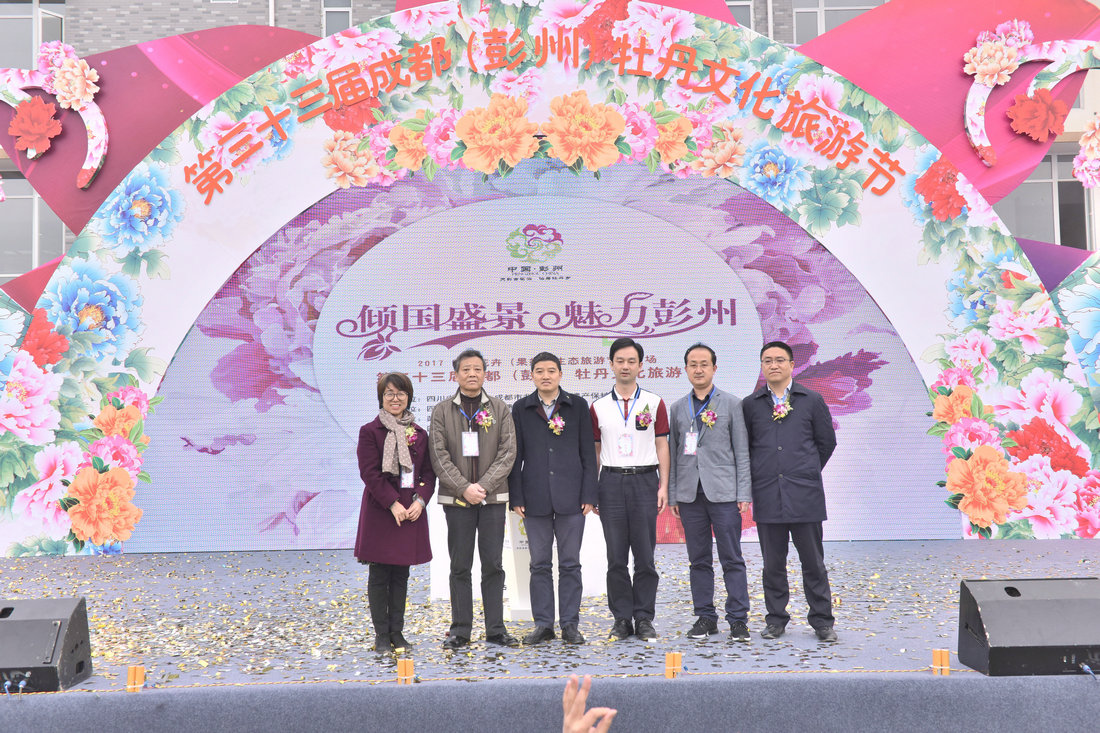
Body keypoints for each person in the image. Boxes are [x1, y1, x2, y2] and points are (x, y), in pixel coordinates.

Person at [741, 341, 838, 642]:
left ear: (792, 365)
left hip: (805, 495)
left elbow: (826, 442)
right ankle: (776, 619)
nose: (774, 365)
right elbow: (746, 448)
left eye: (780, 360)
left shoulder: (811, 400)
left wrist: (805, 470)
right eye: (768, 360)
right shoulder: (751, 404)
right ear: (762, 366)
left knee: (813, 563)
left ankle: (822, 621)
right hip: (768, 494)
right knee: (773, 565)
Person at [430, 349, 518, 649]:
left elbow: (508, 452)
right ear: (455, 375)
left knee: (493, 564)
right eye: (466, 369)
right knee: (460, 565)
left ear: (485, 374)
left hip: (492, 499)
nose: (472, 374)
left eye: (477, 369)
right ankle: (460, 630)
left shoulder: (500, 408)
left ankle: (496, 629)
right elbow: (438, 456)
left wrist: (483, 486)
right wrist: (464, 488)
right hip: (457, 501)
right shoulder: (442, 411)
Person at [509, 352, 598, 645]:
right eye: (539, 371)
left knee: (570, 563)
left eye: (551, 370)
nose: (545, 376)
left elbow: (588, 453)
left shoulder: (577, 405)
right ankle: (543, 624)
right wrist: (516, 495)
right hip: (534, 497)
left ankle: (570, 624)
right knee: (539, 563)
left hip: (572, 497)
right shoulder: (521, 408)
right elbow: (515, 456)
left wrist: (589, 494)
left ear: (560, 374)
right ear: (531, 375)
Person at [668, 343, 753, 643]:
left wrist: (744, 493)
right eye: (693, 364)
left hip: (725, 493)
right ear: (685, 369)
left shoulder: (732, 404)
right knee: (699, 560)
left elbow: (742, 452)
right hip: (690, 495)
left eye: (704, 364)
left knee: (732, 558)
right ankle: (705, 617)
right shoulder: (678, 408)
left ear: (714, 368)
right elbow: (674, 454)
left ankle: (738, 620)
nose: (698, 369)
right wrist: (674, 495)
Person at [589, 337, 669, 642]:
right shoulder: (598, 407)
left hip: (645, 481)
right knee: (616, 557)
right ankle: (622, 619)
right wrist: (593, 489)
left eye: (631, 361)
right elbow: (595, 451)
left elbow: (662, 445)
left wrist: (663, 485)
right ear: (611, 365)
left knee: (645, 556)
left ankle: (644, 617)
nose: (625, 366)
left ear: (640, 365)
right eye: (620, 361)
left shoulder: (654, 402)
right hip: (610, 483)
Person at [354, 372, 436, 653]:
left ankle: (397, 632)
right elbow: (369, 473)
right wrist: (392, 503)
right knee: (379, 575)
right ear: (381, 398)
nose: (395, 398)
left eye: (400, 393)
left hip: (410, 510)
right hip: (381, 510)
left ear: (408, 397)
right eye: (389, 393)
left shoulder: (420, 434)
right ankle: (381, 635)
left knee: (401, 575)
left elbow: (428, 474)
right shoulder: (370, 431)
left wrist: (420, 501)